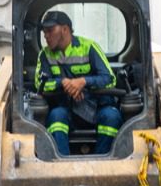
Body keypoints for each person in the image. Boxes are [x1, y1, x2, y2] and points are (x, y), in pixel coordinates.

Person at [35, 11, 122, 155]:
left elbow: (110, 79)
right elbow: (39, 84)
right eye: (44, 32)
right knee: (56, 116)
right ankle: (62, 166)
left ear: (65, 29)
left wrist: (83, 82)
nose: (46, 36)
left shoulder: (89, 47)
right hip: (66, 110)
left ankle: (101, 166)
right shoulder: (45, 55)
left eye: (50, 30)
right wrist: (64, 83)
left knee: (111, 117)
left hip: (96, 108)